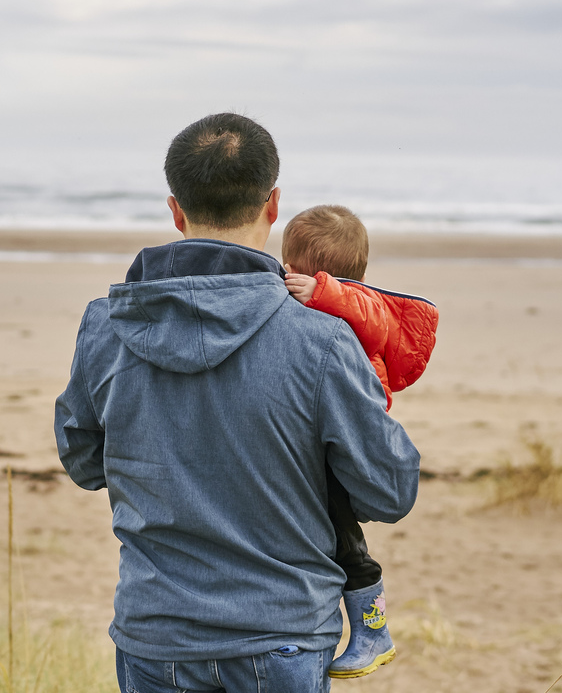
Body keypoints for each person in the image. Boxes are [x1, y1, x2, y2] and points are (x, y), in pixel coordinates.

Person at [55, 113, 421, 693]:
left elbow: (82, 461)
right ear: (273, 205)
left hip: (157, 632)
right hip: (283, 632)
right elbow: (390, 490)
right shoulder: (323, 339)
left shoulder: (105, 325)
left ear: (176, 211)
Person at [279, 204, 439, 678]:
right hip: (335, 416)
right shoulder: (326, 302)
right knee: (335, 527)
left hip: (352, 417)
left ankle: (374, 632)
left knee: (345, 536)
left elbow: (370, 317)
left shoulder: (357, 301)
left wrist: (322, 290)